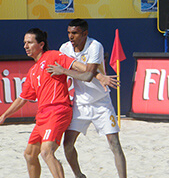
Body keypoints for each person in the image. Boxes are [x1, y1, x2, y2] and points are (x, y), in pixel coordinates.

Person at [0, 28, 117, 178]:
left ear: (41, 44)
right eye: (24, 43)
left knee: (47, 151)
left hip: (58, 111)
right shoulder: (33, 71)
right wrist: (4, 115)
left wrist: (100, 76)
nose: (25, 46)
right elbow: (22, 98)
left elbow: (78, 65)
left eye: (29, 42)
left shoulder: (53, 56)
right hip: (42, 116)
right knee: (29, 155)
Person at [48, 19, 127, 178]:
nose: (71, 36)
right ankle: (79, 175)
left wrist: (64, 70)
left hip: (101, 103)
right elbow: (74, 67)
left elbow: (87, 75)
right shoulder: (65, 48)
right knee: (68, 144)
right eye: (69, 32)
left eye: (75, 33)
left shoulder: (94, 46)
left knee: (114, 144)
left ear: (85, 33)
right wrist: (100, 76)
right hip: (79, 104)